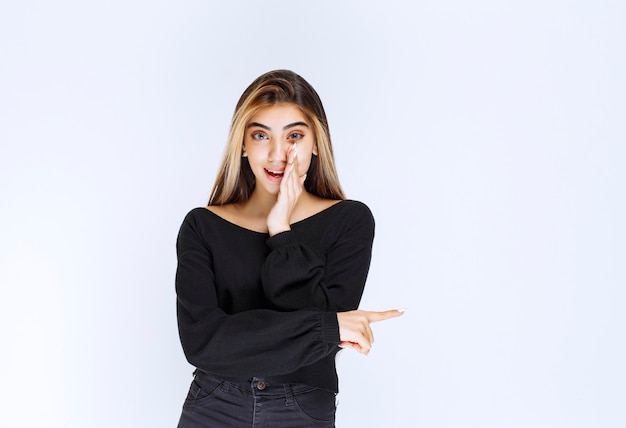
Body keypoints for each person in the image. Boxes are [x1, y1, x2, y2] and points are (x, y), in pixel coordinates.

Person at [175, 69, 403, 427]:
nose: (278, 153)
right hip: (214, 406)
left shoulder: (349, 221)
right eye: (261, 135)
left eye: (294, 135)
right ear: (244, 146)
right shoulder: (203, 225)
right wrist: (325, 328)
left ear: (316, 143)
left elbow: (320, 330)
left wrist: (281, 230)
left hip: (301, 408)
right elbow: (203, 342)